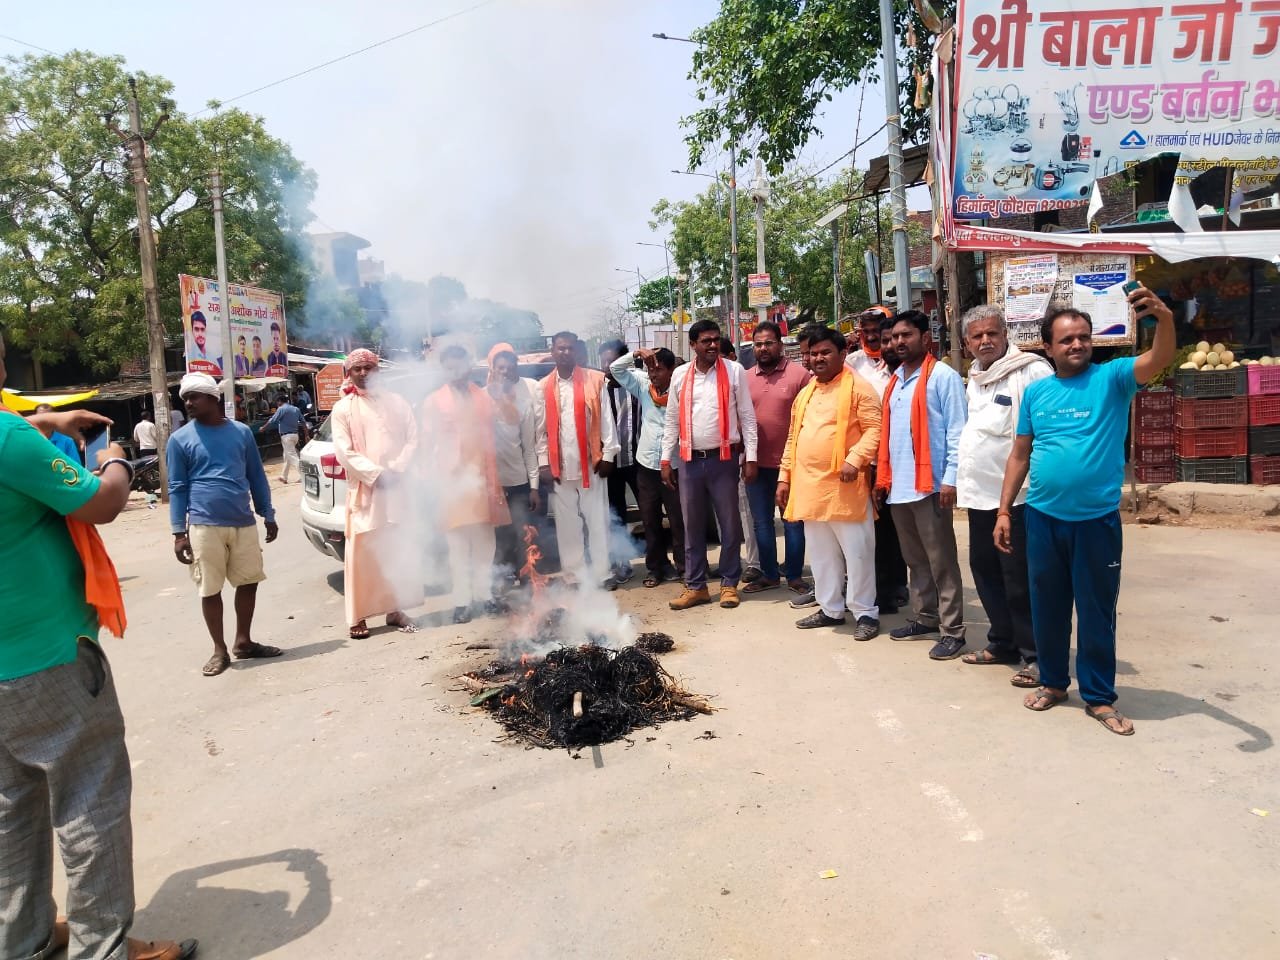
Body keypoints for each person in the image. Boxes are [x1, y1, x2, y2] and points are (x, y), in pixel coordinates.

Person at [1, 333, 199, 960]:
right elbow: (104, 502)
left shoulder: (14, 433)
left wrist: (48, 418)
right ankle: (103, 948)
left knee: (10, 812)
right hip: (45, 659)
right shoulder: (9, 441)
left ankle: (24, 941)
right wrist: (108, 452)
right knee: (90, 800)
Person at [996, 288, 1175, 736]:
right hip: (1042, 518)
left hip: (1096, 522)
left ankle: (1098, 696)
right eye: (1066, 340)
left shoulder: (1113, 378)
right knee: (1048, 607)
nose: (1077, 345)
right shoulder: (1037, 393)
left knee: (1096, 611)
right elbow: (1020, 454)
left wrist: (1165, 321)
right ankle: (1054, 683)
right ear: (1049, 347)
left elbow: (1158, 359)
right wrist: (1004, 511)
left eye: (1083, 337)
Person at [956, 305, 1052, 685]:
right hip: (979, 495)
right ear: (966, 343)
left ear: (1005, 333)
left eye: (992, 334)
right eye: (977, 336)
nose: (985, 341)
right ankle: (1003, 641)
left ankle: (1036, 654)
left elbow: (1043, 435)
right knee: (985, 570)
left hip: (1019, 499)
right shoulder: (975, 377)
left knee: (1020, 577)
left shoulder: (1032, 371)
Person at [168, 372, 282, 677]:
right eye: (185, 398)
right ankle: (219, 650)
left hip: (243, 521)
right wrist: (179, 532)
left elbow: (256, 475)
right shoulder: (179, 439)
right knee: (210, 588)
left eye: (194, 397)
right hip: (204, 525)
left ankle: (243, 641)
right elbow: (177, 487)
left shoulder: (242, 433)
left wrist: (267, 512)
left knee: (249, 580)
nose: (189, 403)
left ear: (213, 398)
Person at [873, 310, 969, 661]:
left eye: (907, 335)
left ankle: (953, 630)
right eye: (895, 336)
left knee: (941, 561)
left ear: (924, 338)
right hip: (899, 486)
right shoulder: (896, 379)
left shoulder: (942, 376)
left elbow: (958, 430)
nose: (899, 342)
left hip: (930, 486)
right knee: (915, 560)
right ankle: (926, 616)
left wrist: (950, 479)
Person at [776, 327, 882, 635]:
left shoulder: (859, 388)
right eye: (813, 353)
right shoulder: (806, 392)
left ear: (842, 354)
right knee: (822, 555)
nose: (817, 358)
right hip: (810, 487)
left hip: (845, 487)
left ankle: (866, 613)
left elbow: (875, 430)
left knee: (858, 553)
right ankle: (831, 608)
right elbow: (794, 437)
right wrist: (785, 476)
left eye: (825, 352)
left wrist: (855, 459)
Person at [661, 319, 758, 611]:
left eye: (716, 339)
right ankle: (696, 586)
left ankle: (729, 584)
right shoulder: (679, 375)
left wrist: (750, 457)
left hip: (724, 460)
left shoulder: (734, 371)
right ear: (693, 345)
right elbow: (671, 421)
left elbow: (748, 416)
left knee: (730, 525)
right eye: (706, 341)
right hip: (690, 461)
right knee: (692, 527)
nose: (713, 345)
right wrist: (666, 459)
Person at [330, 349, 422, 639]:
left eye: (368, 367)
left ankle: (396, 608)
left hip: (397, 487)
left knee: (398, 549)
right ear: (349, 373)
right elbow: (344, 452)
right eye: (357, 368)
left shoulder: (397, 402)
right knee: (362, 555)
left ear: (377, 370)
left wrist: (396, 469)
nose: (363, 373)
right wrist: (376, 473)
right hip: (366, 490)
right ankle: (357, 617)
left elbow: (413, 437)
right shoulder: (343, 408)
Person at [422, 345, 511, 623]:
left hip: (483, 479)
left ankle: (484, 597)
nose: (456, 372)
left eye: (460, 366)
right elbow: (426, 446)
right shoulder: (434, 401)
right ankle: (461, 602)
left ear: (469, 367)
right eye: (450, 367)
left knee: (485, 544)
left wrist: (502, 397)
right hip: (452, 483)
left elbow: (510, 419)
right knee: (458, 547)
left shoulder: (483, 396)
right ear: (444, 370)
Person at [538, 332, 619, 588]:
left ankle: (603, 574)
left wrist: (608, 455)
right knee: (567, 527)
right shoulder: (543, 386)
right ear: (552, 351)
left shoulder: (595, 380)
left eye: (570, 349)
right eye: (560, 349)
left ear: (576, 352)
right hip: (560, 468)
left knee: (598, 522)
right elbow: (540, 431)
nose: (565, 353)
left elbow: (607, 419)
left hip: (592, 465)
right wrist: (543, 464)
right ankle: (574, 576)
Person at [846, 308, 909, 614]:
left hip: (899, 457)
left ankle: (897, 585)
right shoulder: (852, 364)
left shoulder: (898, 366)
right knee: (871, 527)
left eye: (878, 332)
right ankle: (873, 588)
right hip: (865, 458)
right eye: (866, 331)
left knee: (895, 526)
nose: (872, 337)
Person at [743, 321, 811, 597]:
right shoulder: (745, 378)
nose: (763, 348)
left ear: (780, 345)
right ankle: (770, 574)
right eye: (758, 344)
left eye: (769, 343)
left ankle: (794, 575)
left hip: (791, 466)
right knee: (761, 523)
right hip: (755, 465)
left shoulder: (800, 375)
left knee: (793, 521)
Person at [610, 346, 685, 587]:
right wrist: (636, 354)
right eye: (651, 369)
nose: (653, 374)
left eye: (659, 369)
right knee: (650, 519)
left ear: (671, 370)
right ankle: (657, 568)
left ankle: (685, 567)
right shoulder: (643, 385)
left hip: (674, 464)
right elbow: (615, 369)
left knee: (678, 520)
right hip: (646, 465)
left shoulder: (682, 388)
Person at [486, 346, 541, 588]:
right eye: (500, 368)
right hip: (490, 483)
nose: (505, 372)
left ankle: (527, 577)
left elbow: (529, 448)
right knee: (497, 537)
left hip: (518, 480)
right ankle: (499, 584)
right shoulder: (480, 399)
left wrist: (534, 487)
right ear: (493, 369)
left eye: (510, 368)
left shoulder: (523, 403)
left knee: (523, 533)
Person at [718, 336, 763, 582]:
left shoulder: (740, 379)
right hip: (716, 462)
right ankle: (730, 562)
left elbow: (748, 422)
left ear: (732, 358)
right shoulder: (707, 385)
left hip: (740, 456)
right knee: (725, 517)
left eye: (721, 357)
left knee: (746, 514)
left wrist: (749, 458)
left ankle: (754, 563)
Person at [599, 339, 641, 585]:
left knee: (650, 511)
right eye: (604, 360)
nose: (607, 365)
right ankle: (621, 563)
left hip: (638, 460)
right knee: (614, 515)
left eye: (613, 360)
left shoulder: (636, 383)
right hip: (609, 463)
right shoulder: (598, 388)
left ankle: (659, 564)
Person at [261, 396, 303, 484]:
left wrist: (263, 427)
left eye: (277, 402)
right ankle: (284, 477)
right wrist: (306, 434)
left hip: (287, 437)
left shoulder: (281, 409)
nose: (277, 404)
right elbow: (303, 422)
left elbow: (272, 420)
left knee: (292, 456)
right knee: (287, 456)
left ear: (280, 401)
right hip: (295, 435)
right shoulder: (295, 409)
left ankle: (304, 475)